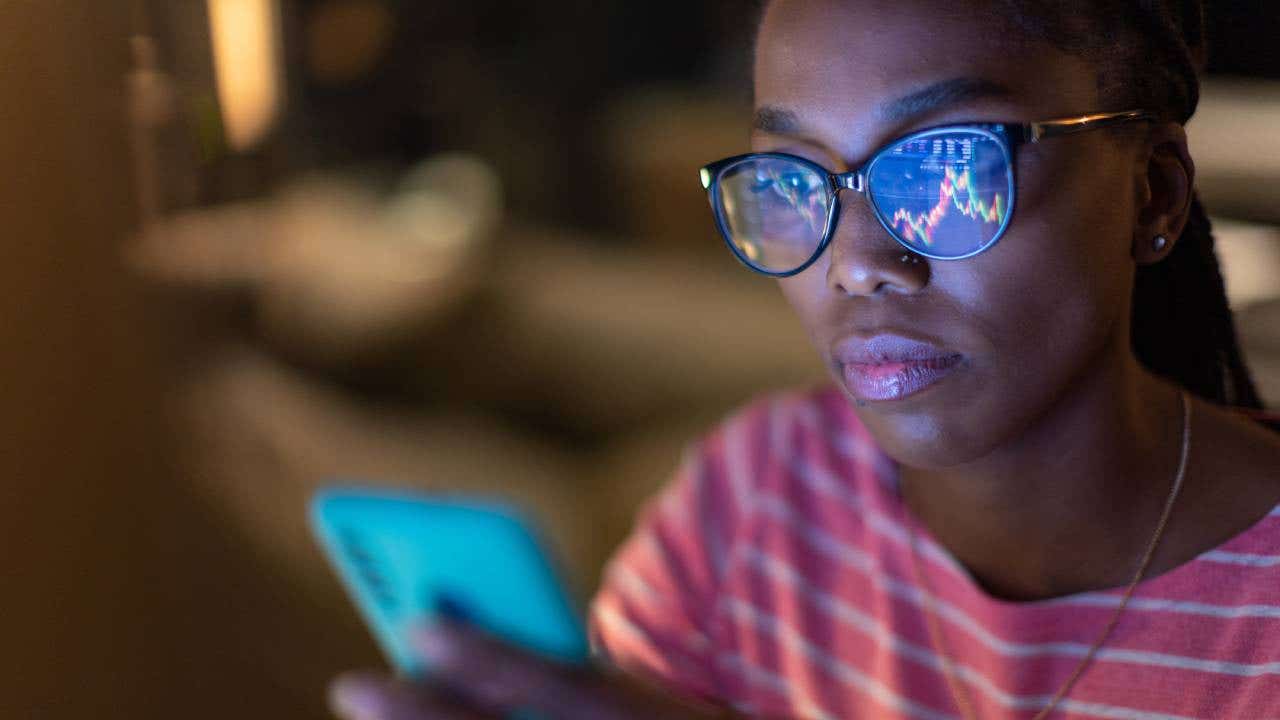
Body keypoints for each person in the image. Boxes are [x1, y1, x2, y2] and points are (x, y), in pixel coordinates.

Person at [326, 1, 1280, 717]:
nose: (858, 263)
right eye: (793, 178)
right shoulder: (755, 500)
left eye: (947, 166)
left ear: (1153, 194)